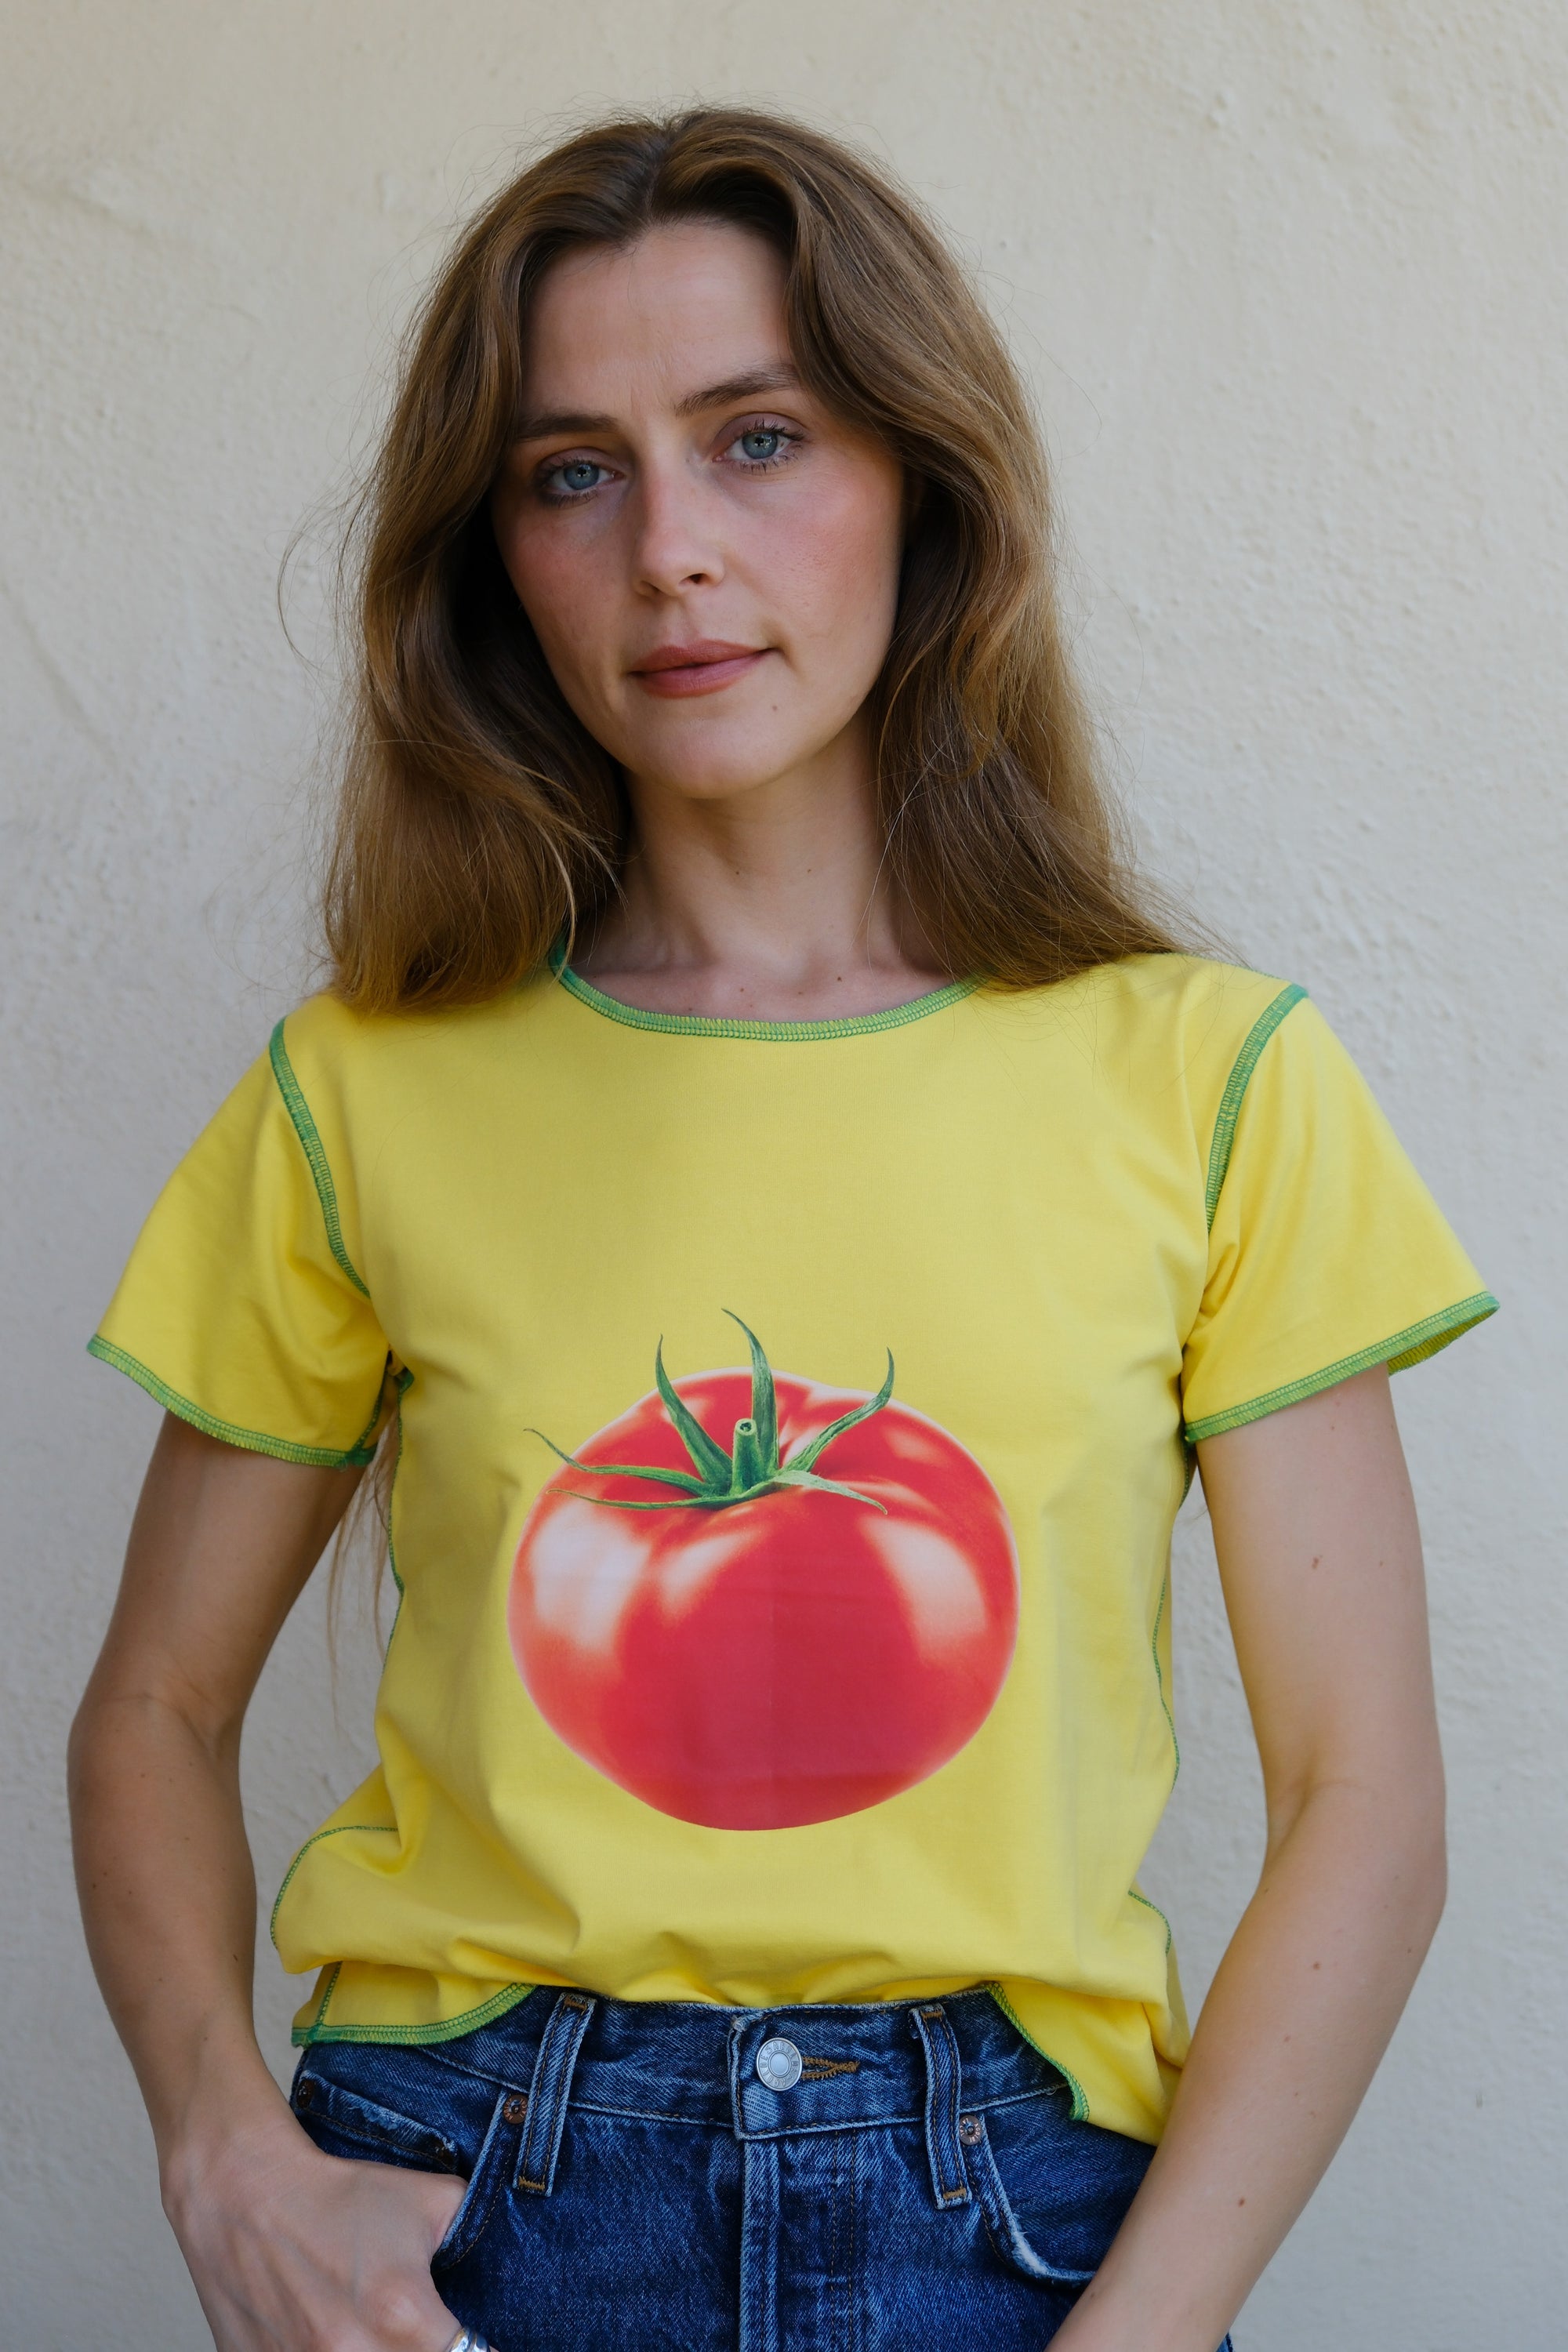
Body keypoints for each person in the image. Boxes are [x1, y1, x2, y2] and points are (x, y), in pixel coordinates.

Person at [69, 106, 1496, 2352]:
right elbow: (152, 1705)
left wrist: (1144, 2334)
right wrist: (223, 2155)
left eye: (759, 438)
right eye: (574, 472)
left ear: (925, 485)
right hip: (466, 2207)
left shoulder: (1213, 1083)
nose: (671, 553)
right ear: (497, 558)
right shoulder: (362, 1093)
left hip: (1021, 2235)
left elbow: (1367, 1800)